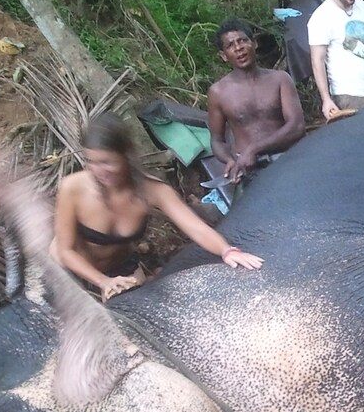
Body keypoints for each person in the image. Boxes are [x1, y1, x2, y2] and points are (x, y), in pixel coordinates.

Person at [53, 113, 263, 301]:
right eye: (91, 162)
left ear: (126, 155)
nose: (98, 170)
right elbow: (65, 250)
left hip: (120, 269)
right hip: (69, 268)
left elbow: (195, 228)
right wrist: (102, 282)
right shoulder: (72, 188)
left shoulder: (153, 191)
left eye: (107, 162)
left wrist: (227, 251)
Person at [207, 18, 305, 184]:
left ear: (254, 43)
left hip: (288, 159)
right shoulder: (218, 92)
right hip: (248, 169)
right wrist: (230, 161)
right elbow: (217, 140)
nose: (238, 48)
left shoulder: (280, 79)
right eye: (230, 45)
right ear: (223, 56)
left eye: (243, 41)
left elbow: (297, 127)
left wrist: (254, 149)